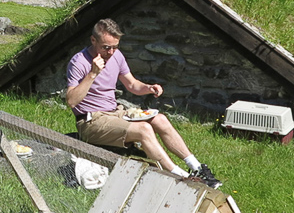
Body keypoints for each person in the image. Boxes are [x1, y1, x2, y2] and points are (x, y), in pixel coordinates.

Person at [66, 18, 221, 188]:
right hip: (91, 120)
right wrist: (93, 74)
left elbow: (132, 84)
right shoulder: (79, 61)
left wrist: (148, 87)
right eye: (106, 47)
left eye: (115, 47)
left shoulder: (116, 56)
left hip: (115, 113)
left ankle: (197, 168)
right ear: (93, 40)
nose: (110, 52)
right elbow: (72, 101)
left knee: (160, 119)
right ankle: (181, 177)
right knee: (144, 129)